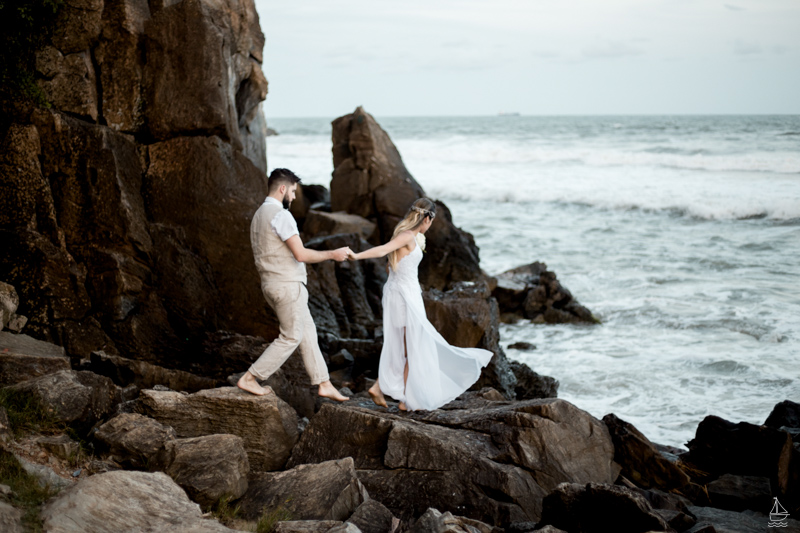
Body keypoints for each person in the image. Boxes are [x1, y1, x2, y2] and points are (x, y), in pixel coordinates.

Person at [349, 198, 493, 410]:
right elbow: (382, 250)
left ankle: (384, 389)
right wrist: (356, 255)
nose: (430, 225)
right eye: (431, 221)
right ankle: (403, 398)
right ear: (427, 218)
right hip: (404, 296)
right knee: (412, 346)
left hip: (403, 292)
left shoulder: (411, 236)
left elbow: (391, 267)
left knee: (406, 345)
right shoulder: (406, 236)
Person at [237, 168, 351, 401]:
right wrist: (333, 254)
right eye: (293, 191)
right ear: (282, 189)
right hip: (287, 285)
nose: (295, 197)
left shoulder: (259, 215)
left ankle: (324, 382)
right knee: (290, 336)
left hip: (271, 285)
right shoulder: (281, 215)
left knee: (307, 331)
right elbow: (300, 254)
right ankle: (251, 377)